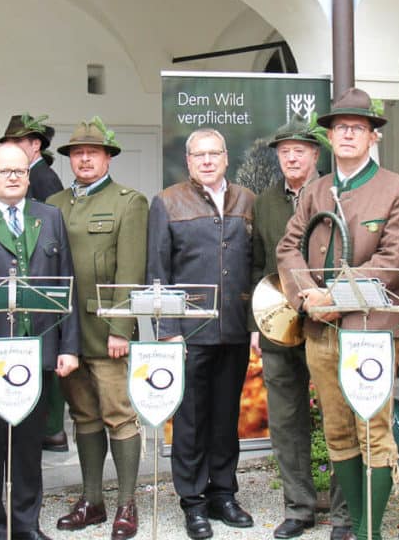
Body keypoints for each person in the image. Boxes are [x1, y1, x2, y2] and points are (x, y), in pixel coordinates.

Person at [277, 87, 399, 540]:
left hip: (373, 332)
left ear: (373, 137)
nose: (347, 135)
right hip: (320, 330)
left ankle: (368, 531)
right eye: (340, 128)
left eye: (357, 129)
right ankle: (354, 523)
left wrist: (335, 297)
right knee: (338, 430)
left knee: (373, 432)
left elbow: (395, 260)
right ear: (329, 136)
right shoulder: (315, 191)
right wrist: (308, 297)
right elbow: (288, 248)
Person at [147, 128, 255, 539]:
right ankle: (193, 502)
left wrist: (254, 323)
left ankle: (223, 493)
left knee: (227, 417)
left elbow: (255, 261)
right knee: (190, 420)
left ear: (226, 157)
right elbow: (158, 272)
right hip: (189, 333)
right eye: (199, 155)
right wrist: (167, 331)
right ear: (188, 161)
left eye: (214, 154)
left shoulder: (247, 200)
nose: (207, 161)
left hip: (234, 329)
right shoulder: (168, 202)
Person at [0, 143, 81, 540]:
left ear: (28, 176)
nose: (13, 177)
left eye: (19, 171)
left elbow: (66, 284)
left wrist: (69, 346)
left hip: (37, 352)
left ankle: (25, 523)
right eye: (4, 171)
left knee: (29, 446)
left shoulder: (49, 217)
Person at [249, 119, 350, 540]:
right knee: (287, 418)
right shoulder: (265, 202)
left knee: (337, 414)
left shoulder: (336, 194)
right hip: (279, 320)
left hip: (330, 320)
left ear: (315, 155)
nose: (292, 157)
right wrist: (257, 321)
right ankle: (298, 508)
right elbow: (256, 263)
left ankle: (345, 515)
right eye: (285, 150)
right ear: (277, 156)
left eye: (300, 150)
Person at [47, 118, 148, 540]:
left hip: (108, 333)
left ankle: (126, 504)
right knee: (83, 416)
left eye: (92, 152)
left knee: (120, 417)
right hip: (67, 333)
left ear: (108, 157)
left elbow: (130, 270)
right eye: (76, 153)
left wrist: (121, 327)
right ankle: (92, 500)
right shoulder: (54, 203)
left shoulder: (129, 201)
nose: (84, 158)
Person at [0, 113, 67, 450]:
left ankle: (52, 429)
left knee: (44, 369)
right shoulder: (38, 173)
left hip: (39, 291)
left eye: (17, 143)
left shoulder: (44, 178)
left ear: (34, 145)